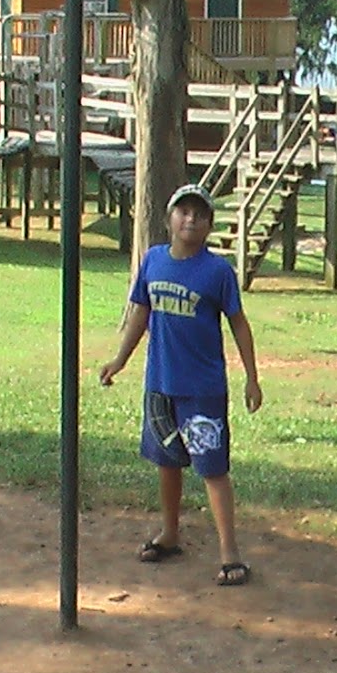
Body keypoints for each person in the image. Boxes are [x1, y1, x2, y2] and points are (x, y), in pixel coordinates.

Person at [99, 183, 263, 586]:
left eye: (199, 214)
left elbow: (238, 324)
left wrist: (252, 378)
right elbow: (140, 314)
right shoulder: (153, 261)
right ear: (169, 219)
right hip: (161, 385)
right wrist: (119, 360)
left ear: (209, 224)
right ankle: (170, 533)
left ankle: (229, 552)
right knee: (166, 462)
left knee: (212, 468)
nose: (190, 219)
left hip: (202, 389)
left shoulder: (217, 271)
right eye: (183, 211)